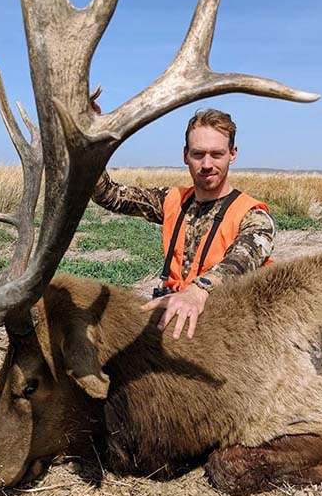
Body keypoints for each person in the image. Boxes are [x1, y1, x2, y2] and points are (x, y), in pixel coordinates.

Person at [90, 108, 275, 341]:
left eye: (217, 154)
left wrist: (199, 290)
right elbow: (110, 195)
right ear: (185, 155)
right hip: (175, 318)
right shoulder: (172, 200)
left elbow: (243, 259)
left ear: (232, 154)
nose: (206, 164)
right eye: (198, 154)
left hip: (230, 329)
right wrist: (94, 142)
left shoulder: (254, 215)